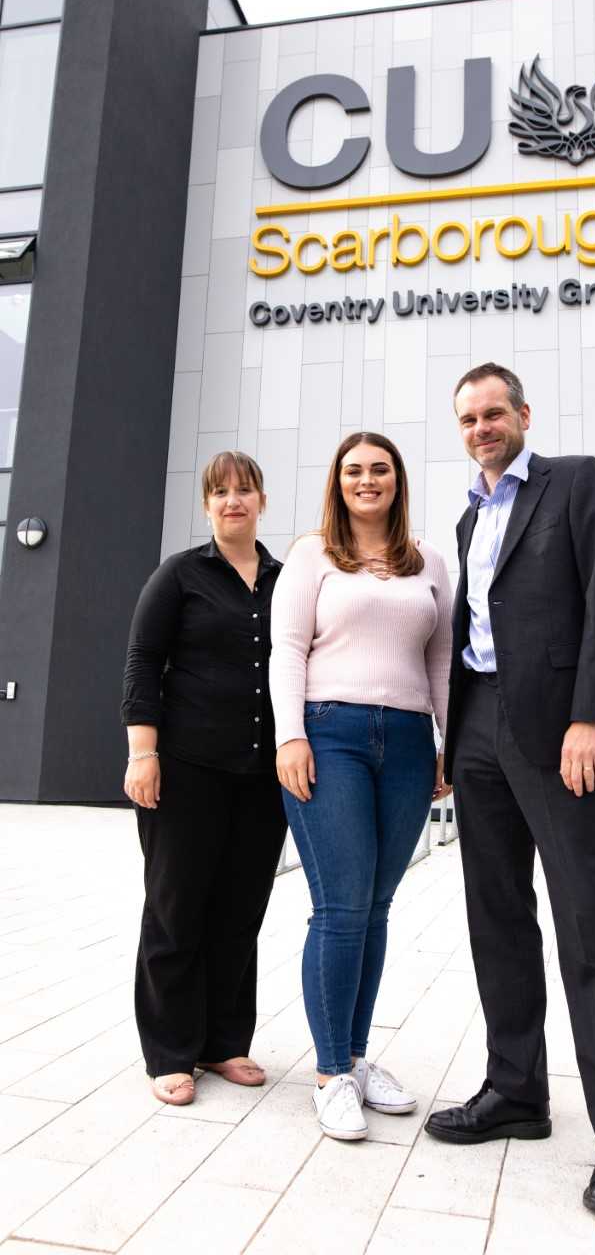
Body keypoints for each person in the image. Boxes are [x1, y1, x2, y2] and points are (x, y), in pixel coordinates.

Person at [424, 363, 595, 1220]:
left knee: (588, 920)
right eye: (467, 419)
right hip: (478, 725)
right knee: (497, 918)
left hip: (560, 733)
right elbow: (472, 633)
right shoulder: (468, 513)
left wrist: (590, 716)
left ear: (523, 414)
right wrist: (451, 739)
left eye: (493, 413)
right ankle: (515, 1088)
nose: (481, 427)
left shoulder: (575, 480)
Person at [270, 431, 452, 1142]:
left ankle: (354, 1055)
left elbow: (440, 655)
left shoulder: (428, 561)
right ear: (337, 482)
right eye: (353, 470)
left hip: (407, 742)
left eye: (379, 469)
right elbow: (287, 649)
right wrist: (291, 736)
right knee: (341, 908)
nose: (366, 480)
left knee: (376, 907)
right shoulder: (312, 553)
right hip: (330, 734)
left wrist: (447, 739)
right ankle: (328, 1075)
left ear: (397, 480)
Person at [121, 451, 286, 1106]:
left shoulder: (285, 579)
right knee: (174, 910)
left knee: (238, 912)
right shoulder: (179, 576)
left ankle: (223, 1044)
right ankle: (169, 1051)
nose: (232, 501)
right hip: (185, 770)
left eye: (243, 489)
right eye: (219, 492)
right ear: (207, 504)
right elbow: (142, 662)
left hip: (261, 776)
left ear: (261, 500)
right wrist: (143, 753)